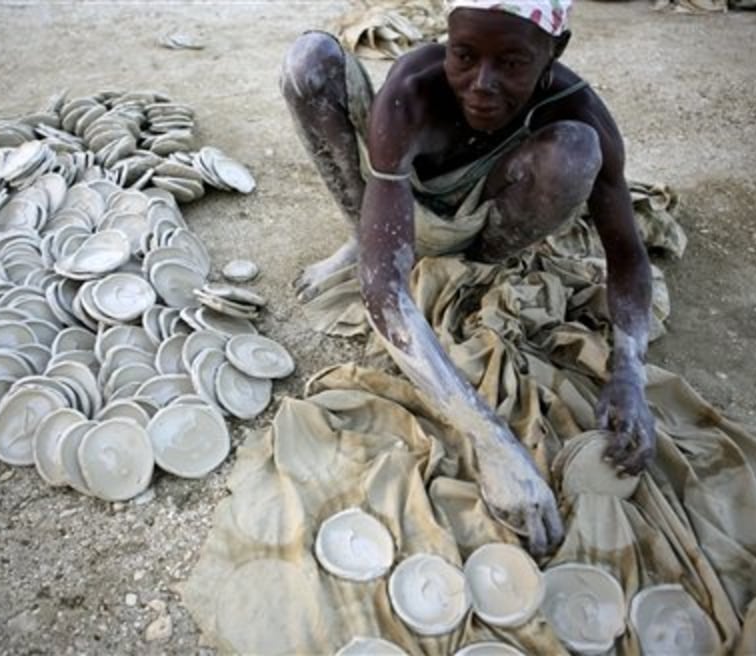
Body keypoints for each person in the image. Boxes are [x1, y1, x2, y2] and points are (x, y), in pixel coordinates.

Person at [280, 0, 655, 556]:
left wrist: (630, 371)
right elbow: (384, 290)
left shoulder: (577, 108)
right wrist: (489, 439)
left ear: (556, 50)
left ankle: (474, 270)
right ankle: (362, 236)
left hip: (485, 225)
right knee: (309, 58)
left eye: (511, 63)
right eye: (464, 56)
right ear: (447, 39)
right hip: (394, 208)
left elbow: (628, 257)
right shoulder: (411, 91)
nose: (481, 84)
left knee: (577, 152)